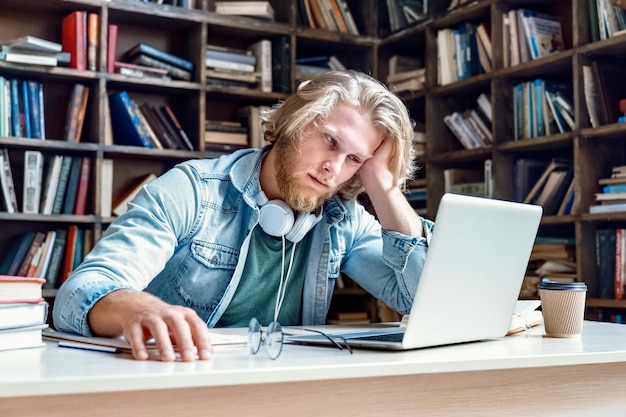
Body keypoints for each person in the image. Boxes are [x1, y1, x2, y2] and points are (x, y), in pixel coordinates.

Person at [53, 70, 434, 362]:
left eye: (354, 159)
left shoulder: (342, 220)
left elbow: (423, 301)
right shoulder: (193, 190)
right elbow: (76, 296)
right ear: (293, 123)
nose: (333, 168)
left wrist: (383, 186)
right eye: (330, 141)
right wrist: (139, 308)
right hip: (176, 381)